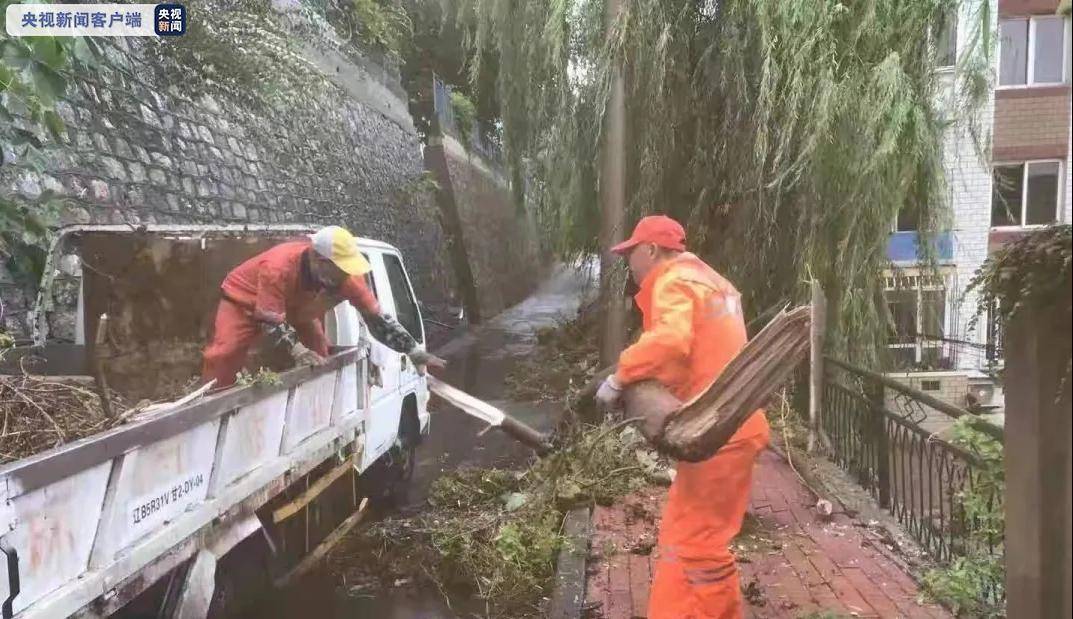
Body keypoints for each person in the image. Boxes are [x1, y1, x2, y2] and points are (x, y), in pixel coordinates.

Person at [594, 215, 770, 619]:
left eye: (631, 253)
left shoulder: (674, 280)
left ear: (652, 250)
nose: (629, 263)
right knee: (689, 537)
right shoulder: (714, 282)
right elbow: (701, 356)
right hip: (727, 427)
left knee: (696, 544)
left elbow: (671, 342)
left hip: (717, 432)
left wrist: (621, 376)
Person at [201, 226, 444, 388]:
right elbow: (270, 321)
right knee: (225, 353)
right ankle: (212, 400)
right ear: (318, 260)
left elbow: (377, 319)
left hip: (296, 307)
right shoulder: (277, 268)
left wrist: (412, 349)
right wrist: (297, 351)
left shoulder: (345, 276)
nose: (344, 275)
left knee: (319, 351)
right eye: (338, 269)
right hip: (244, 302)